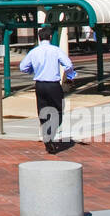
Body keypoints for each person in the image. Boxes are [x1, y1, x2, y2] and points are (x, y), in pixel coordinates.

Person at [19, 26, 76, 154]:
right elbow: (68, 65)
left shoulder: (34, 52)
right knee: (58, 111)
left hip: (39, 85)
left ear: (39, 38)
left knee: (43, 111)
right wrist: (71, 76)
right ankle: (49, 135)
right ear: (50, 37)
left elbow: (23, 67)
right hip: (53, 85)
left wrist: (32, 70)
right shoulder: (56, 50)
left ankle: (46, 135)